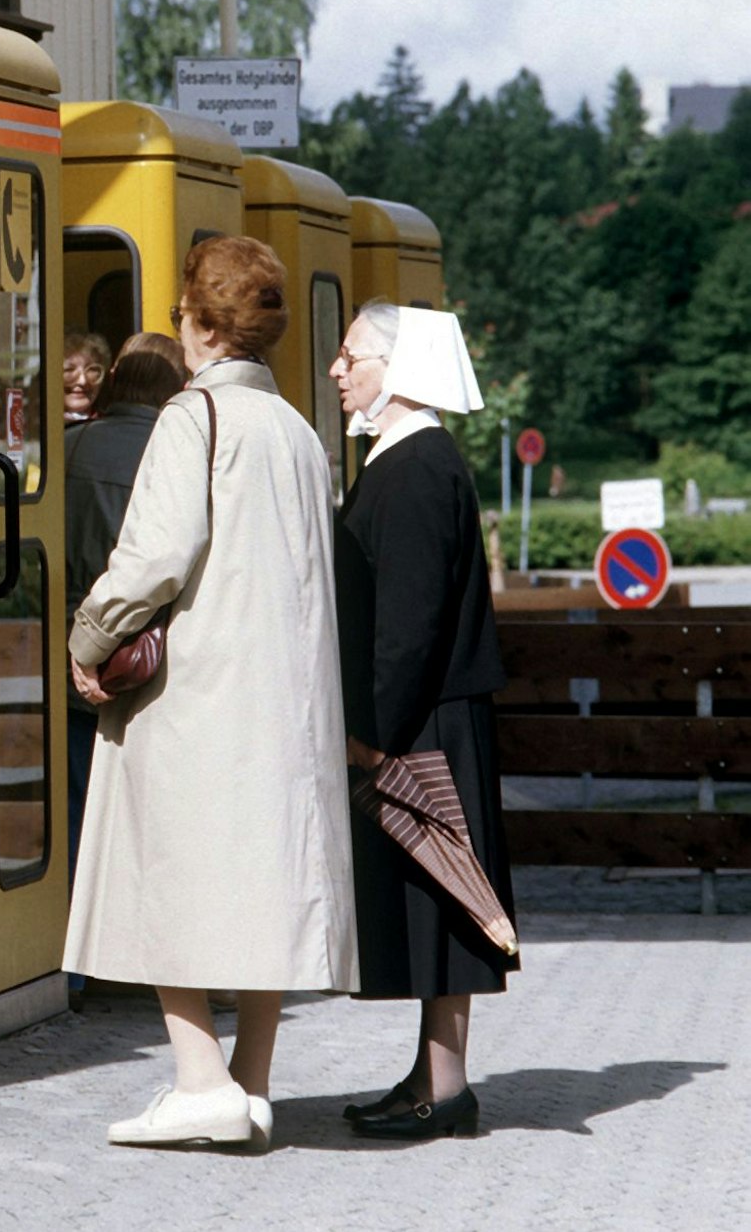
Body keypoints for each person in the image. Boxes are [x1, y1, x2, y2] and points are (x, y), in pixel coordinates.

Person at [66, 236, 357, 1152]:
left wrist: (90, 635)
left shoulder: (194, 418)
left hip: (198, 697)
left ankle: (198, 1079)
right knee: (259, 888)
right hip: (286, 700)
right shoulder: (297, 431)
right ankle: (252, 1086)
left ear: (195, 321)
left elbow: (154, 553)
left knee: (168, 878)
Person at [330, 302, 516, 1141]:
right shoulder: (414, 459)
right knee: (440, 896)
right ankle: (432, 1075)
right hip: (432, 715)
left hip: (421, 719)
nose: (337, 371)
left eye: (351, 356)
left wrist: (374, 733)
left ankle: (443, 1090)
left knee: (443, 900)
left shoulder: (411, 468)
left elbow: (406, 625)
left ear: (397, 371)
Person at [60, 332, 187, 892]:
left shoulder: (70, 447)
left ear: (113, 381)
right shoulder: (182, 454)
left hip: (76, 651)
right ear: (177, 391)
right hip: (159, 655)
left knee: (76, 802)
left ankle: (78, 962)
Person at [61, 329, 112, 425]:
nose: (82, 381)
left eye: (92, 370)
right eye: (69, 370)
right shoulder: (42, 430)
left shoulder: (111, 425)